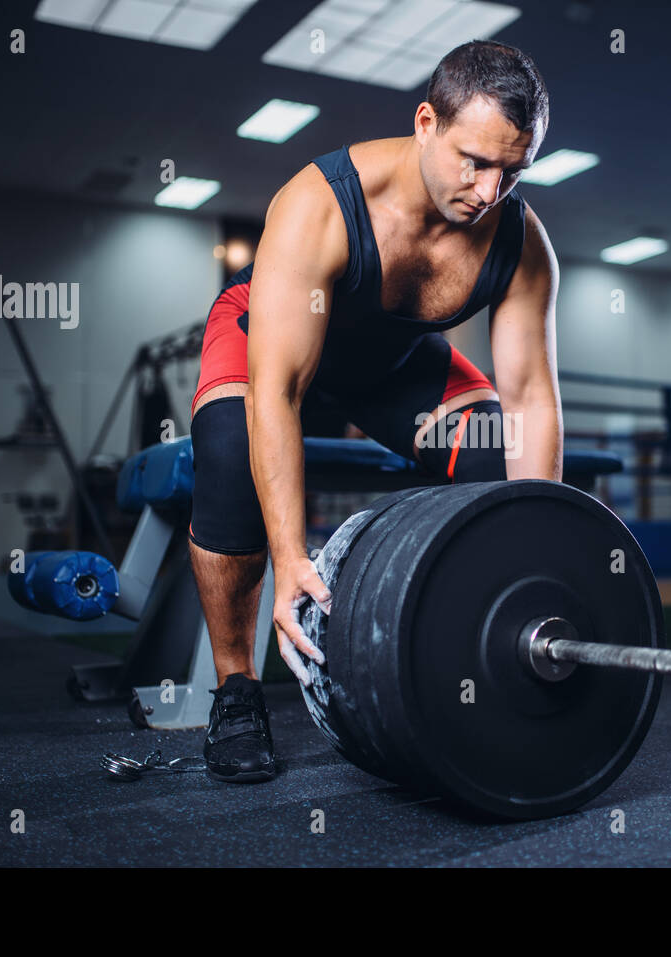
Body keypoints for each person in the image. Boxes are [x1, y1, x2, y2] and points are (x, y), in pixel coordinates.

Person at [187, 40, 561, 782]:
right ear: (426, 122)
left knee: (498, 457)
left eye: (512, 171)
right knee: (230, 447)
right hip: (269, 339)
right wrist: (292, 557)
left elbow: (529, 399)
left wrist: (540, 550)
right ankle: (235, 691)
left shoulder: (520, 242)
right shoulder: (317, 204)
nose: (490, 192)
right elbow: (280, 393)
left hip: (392, 362)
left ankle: (466, 663)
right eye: (474, 162)